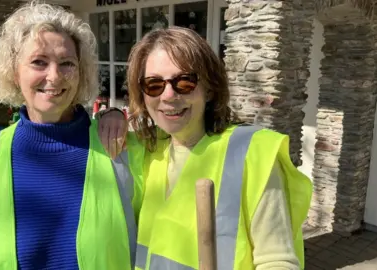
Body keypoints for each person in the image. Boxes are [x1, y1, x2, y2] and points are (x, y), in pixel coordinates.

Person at [0, 2, 136, 269]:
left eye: (67, 63)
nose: (54, 76)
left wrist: (117, 113)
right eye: (39, 62)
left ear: (81, 72)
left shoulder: (119, 146)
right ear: (15, 71)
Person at [100, 26, 313, 269]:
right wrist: (112, 114)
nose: (169, 95)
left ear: (209, 89)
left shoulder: (250, 153)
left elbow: (278, 261)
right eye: (154, 84)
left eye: (185, 81)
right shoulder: (149, 151)